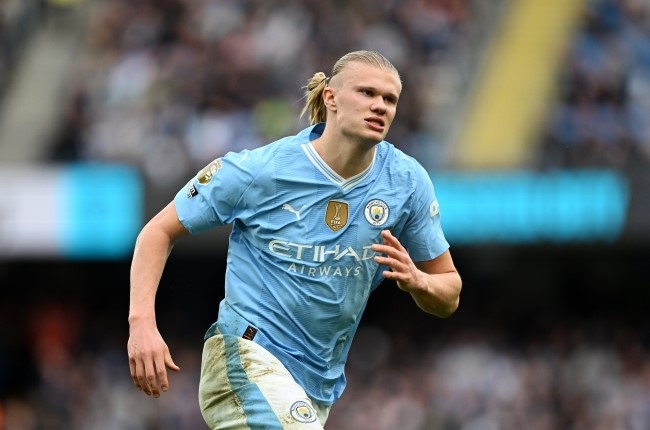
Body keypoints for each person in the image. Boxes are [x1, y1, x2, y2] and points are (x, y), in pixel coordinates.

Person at [127, 50, 462, 429]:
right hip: (245, 355)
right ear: (330, 98)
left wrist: (420, 282)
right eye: (367, 93)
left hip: (316, 384)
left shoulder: (406, 181)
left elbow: (449, 290)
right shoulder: (261, 169)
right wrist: (141, 324)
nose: (380, 106)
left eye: (390, 99)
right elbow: (158, 230)